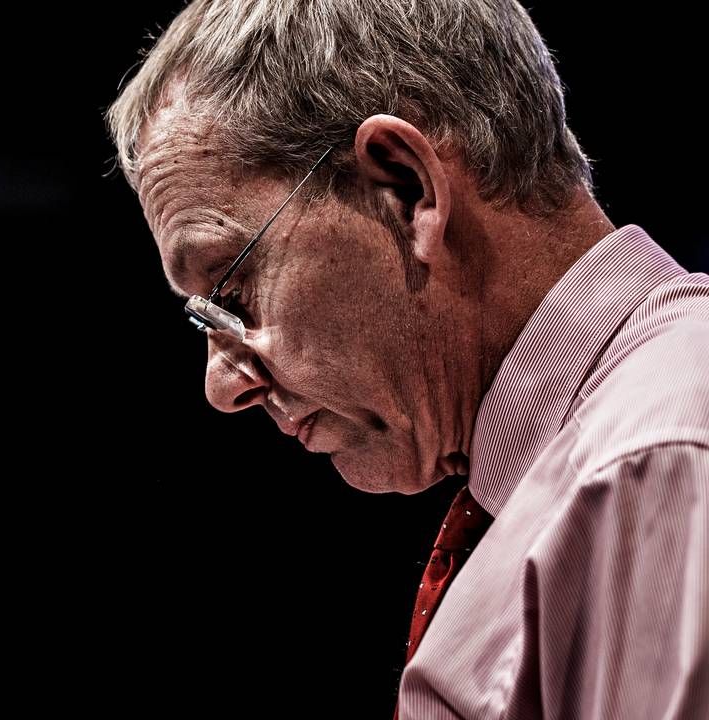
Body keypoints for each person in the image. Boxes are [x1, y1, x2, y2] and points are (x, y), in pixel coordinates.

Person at [106, 1, 709, 717]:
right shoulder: (616, 461)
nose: (222, 384)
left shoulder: (658, 463)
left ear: (405, 187)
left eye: (233, 289)